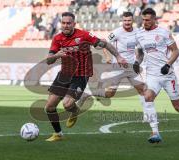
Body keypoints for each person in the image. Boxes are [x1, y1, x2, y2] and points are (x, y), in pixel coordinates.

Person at [76, 11, 160, 143]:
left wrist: (137, 62)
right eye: (125, 20)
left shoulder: (138, 32)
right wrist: (108, 56)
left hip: (131, 67)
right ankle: (87, 93)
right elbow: (103, 43)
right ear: (122, 21)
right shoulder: (117, 32)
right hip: (117, 67)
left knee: (143, 90)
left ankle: (147, 117)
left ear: (132, 20)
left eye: (129, 20)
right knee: (109, 94)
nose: (127, 23)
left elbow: (141, 51)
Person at [45, 12, 127, 142]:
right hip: (64, 74)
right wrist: (56, 55)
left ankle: (74, 110)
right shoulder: (57, 38)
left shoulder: (84, 35)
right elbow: (48, 60)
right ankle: (58, 134)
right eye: (64, 23)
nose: (66, 25)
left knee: (67, 105)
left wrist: (118, 56)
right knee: (49, 107)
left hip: (80, 75)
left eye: (68, 23)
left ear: (74, 24)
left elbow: (104, 44)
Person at [134, 8, 179, 143]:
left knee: (178, 108)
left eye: (147, 20)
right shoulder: (139, 34)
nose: (144, 22)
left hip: (167, 75)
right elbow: (140, 53)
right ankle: (155, 133)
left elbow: (175, 51)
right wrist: (137, 62)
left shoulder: (163, 32)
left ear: (154, 19)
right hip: (152, 75)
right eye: (143, 19)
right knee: (148, 97)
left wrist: (168, 64)